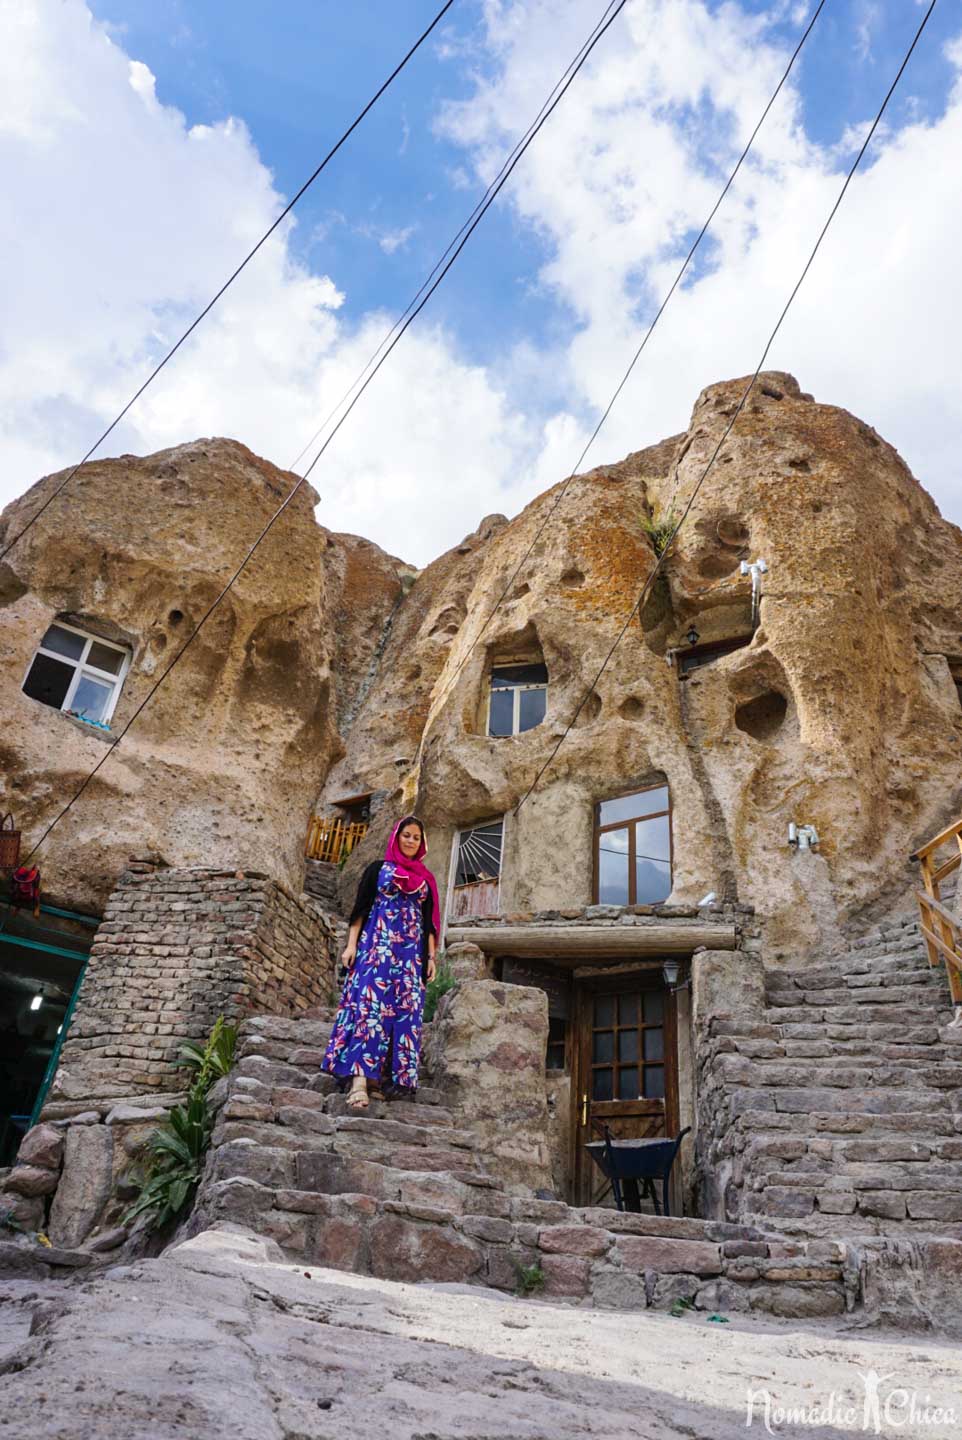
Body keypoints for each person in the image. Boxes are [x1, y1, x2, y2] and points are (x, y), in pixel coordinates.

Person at [321, 816, 439, 1110]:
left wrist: (431, 957)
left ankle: (378, 1079)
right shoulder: (378, 870)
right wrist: (351, 946)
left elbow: (430, 924)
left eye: (416, 837)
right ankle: (359, 1080)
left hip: (410, 956)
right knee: (370, 1007)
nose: (411, 841)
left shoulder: (426, 879)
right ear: (396, 837)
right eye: (406, 835)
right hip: (377, 947)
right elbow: (361, 909)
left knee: (402, 1011)